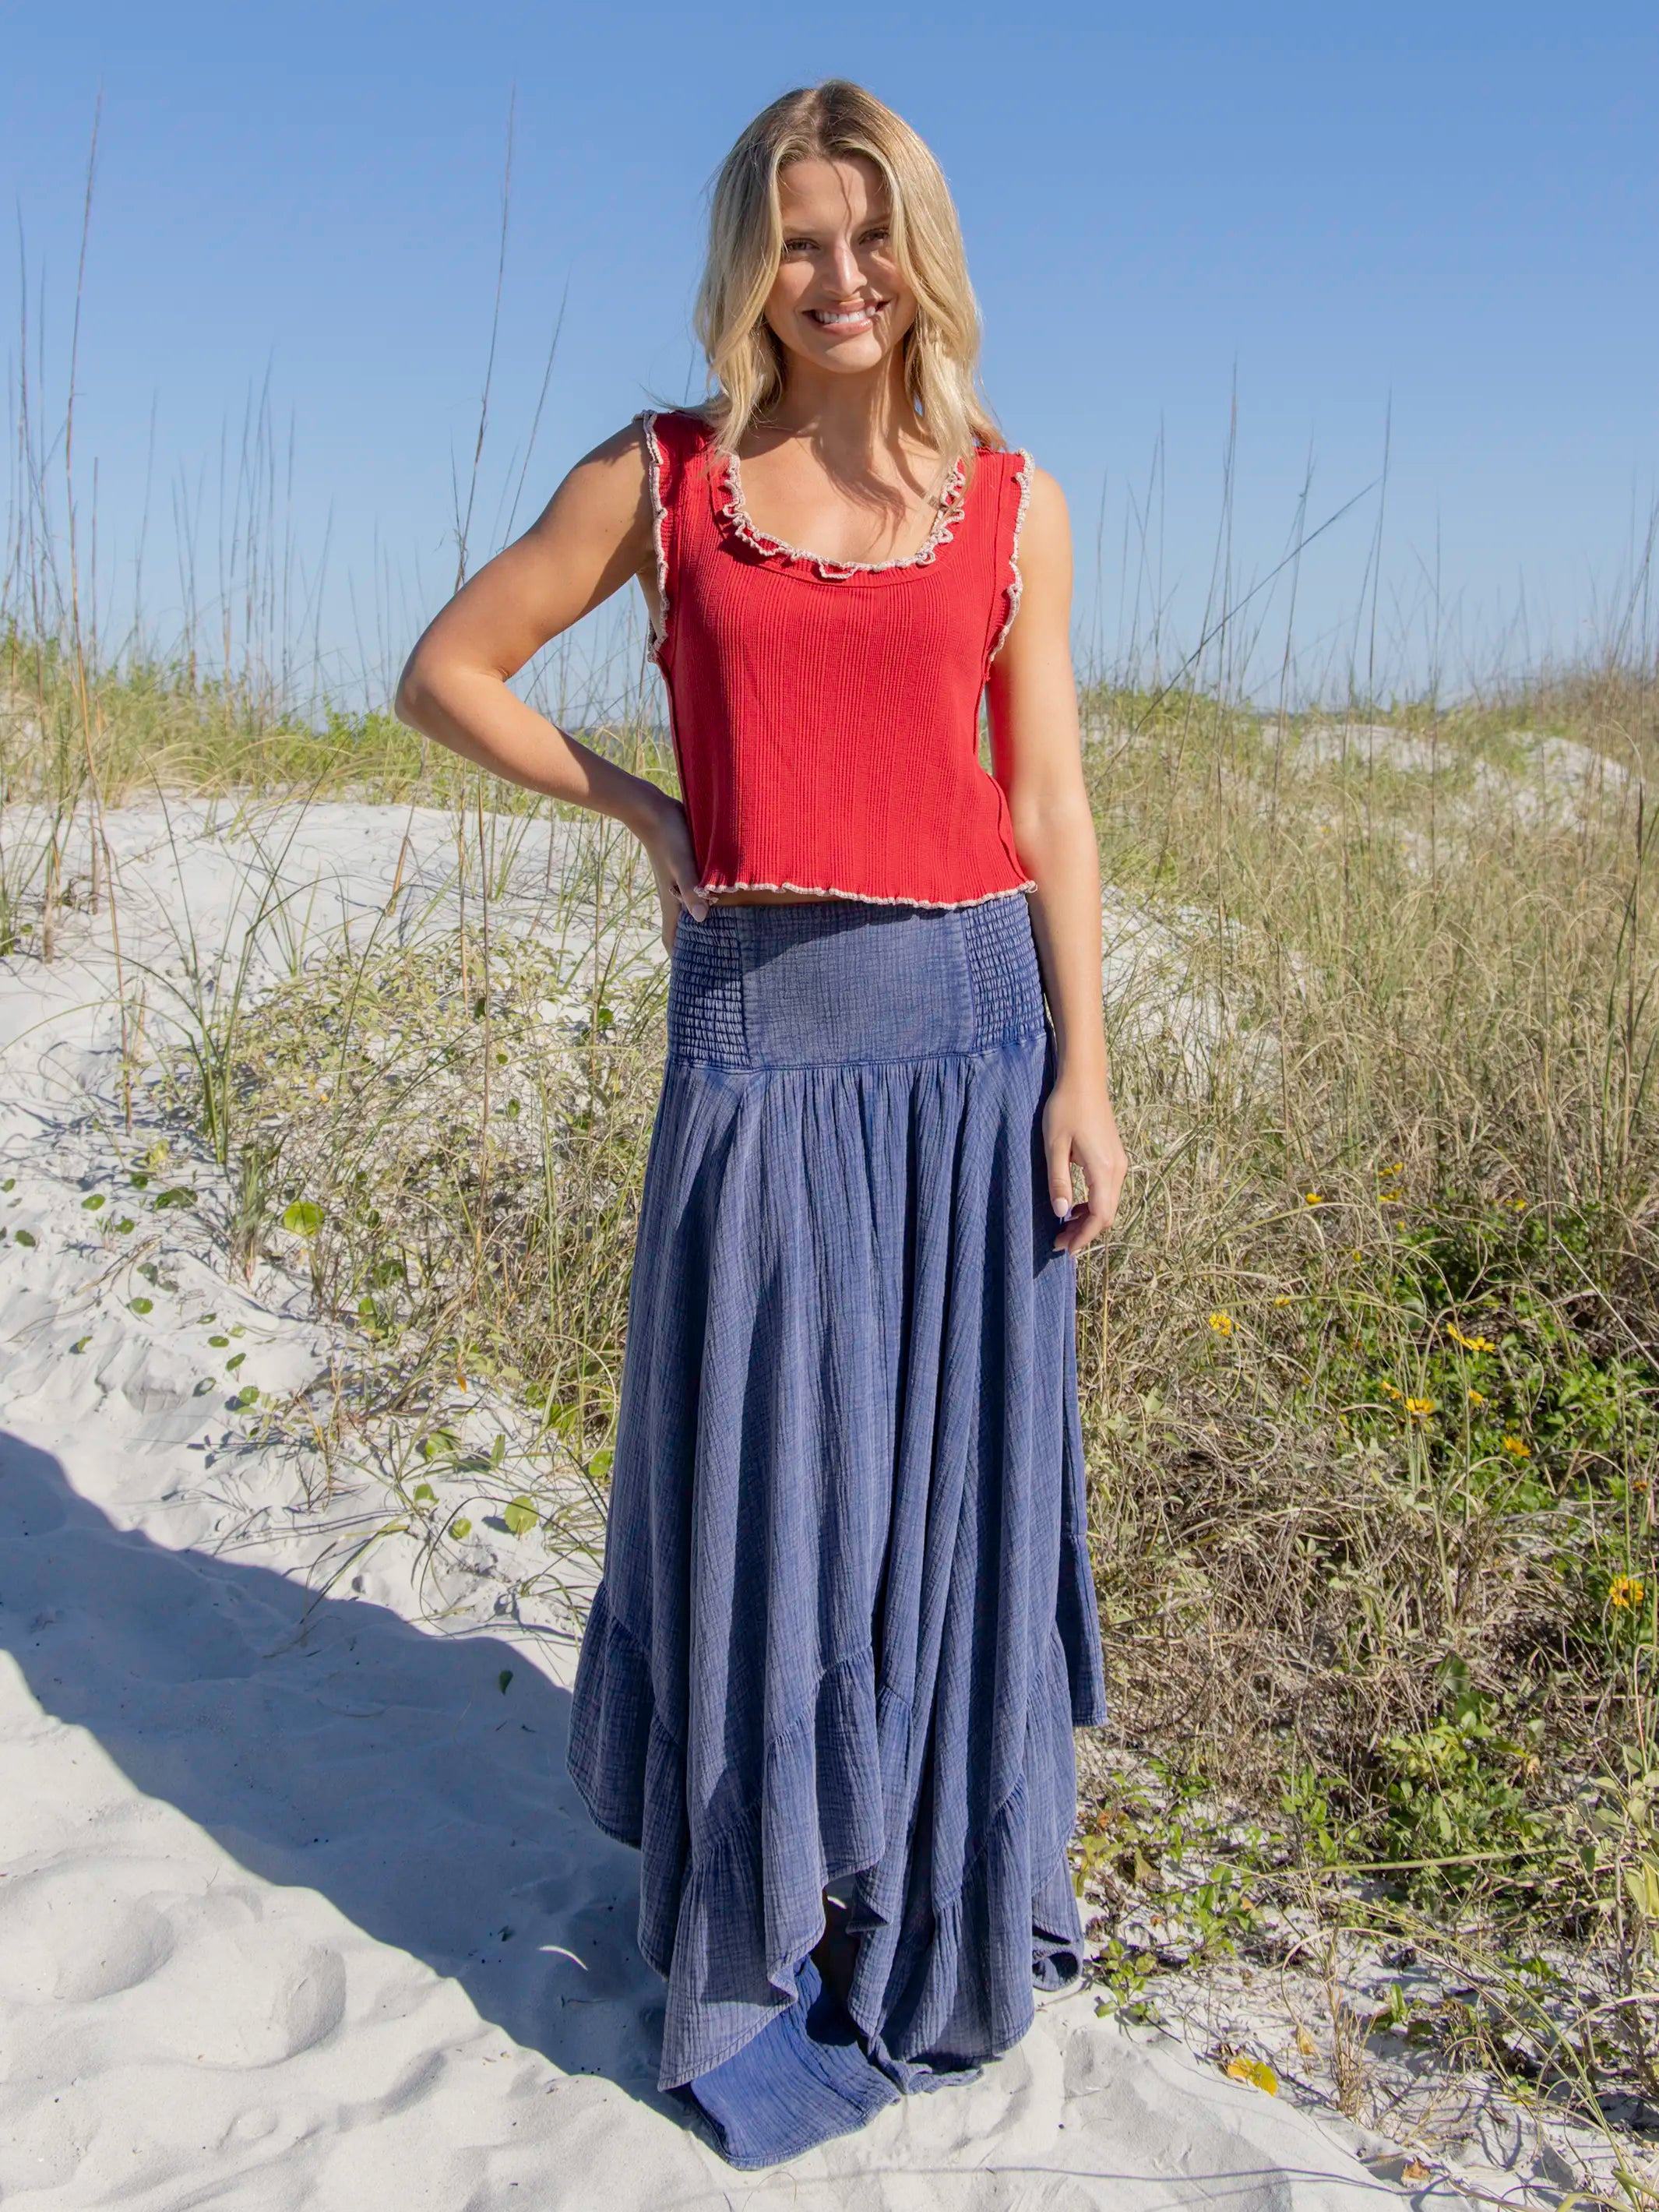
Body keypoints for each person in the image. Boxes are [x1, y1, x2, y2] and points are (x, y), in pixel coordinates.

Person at [396, 78, 1126, 2171]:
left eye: (871, 236)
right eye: (800, 240)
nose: (839, 276)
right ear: (750, 260)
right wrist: (646, 813)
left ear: (922, 253)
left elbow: (1049, 803)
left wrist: (1085, 1072)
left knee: (942, 1510)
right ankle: (769, 1949)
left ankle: (929, 1907)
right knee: (775, 1493)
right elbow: (449, 669)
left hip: (975, 1041)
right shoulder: (666, 477)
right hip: (758, 1045)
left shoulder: (1011, 503)